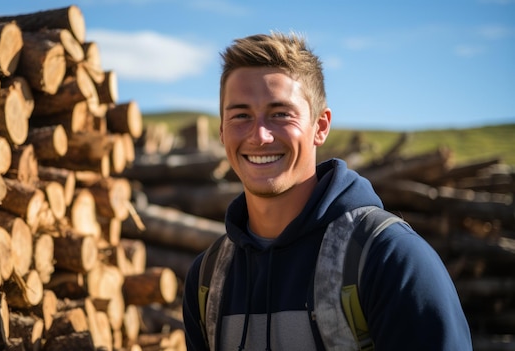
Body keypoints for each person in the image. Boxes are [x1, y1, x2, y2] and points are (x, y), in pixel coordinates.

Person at [181, 32, 472, 350]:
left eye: (280, 114)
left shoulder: (390, 258)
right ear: (222, 131)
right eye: (240, 116)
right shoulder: (208, 280)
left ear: (320, 126)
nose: (260, 136)